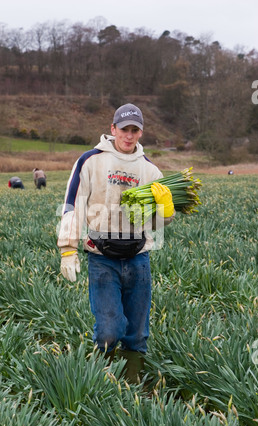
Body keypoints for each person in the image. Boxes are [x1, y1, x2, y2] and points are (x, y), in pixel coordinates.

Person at [57, 103, 175, 383]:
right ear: (113, 129)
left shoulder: (150, 171)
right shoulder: (90, 161)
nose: (129, 135)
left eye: (135, 130)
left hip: (138, 258)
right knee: (109, 330)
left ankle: (131, 389)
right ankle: (104, 383)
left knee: (137, 334)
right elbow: (73, 205)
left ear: (140, 132)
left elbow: (156, 223)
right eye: (124, 129)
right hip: (102, 258)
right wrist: (68, 248)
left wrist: (166, 212)